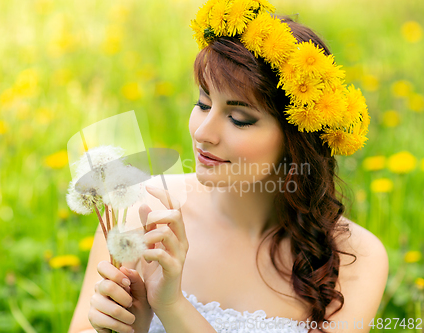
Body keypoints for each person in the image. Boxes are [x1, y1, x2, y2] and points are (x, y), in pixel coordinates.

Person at [69, 1, 388, 332]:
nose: (203, 133)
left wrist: (171, 306)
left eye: (238, 119)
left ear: (297, 140)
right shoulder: (140, 211)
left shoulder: (356, 258)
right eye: (203, 104)